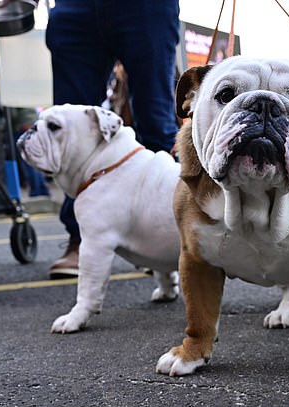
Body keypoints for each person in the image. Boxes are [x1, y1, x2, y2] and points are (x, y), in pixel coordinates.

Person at [32, 0, 180, 279]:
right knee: (66, 126)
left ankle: (165, 239)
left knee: (155, 120)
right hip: (74, 6)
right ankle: (81, 239)